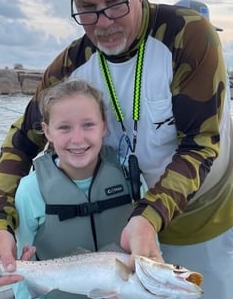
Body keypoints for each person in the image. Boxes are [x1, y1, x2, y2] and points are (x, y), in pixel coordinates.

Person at [0, 0, 233, 298]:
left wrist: (150, 217)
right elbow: (20, 141)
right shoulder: (71, 66)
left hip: (199, 219)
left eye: (115, 2)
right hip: (125, 226)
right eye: (86, 8)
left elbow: (200, 143)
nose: (103, 23)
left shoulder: (188, 37)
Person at [12, 77, 147, 299]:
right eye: (64, 127)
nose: (77, 139)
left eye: (88, 125)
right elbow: (22, 264)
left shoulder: (130, 177)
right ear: (47, 131)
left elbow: (150, 248)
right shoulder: (30, 190)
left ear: (103, 125)